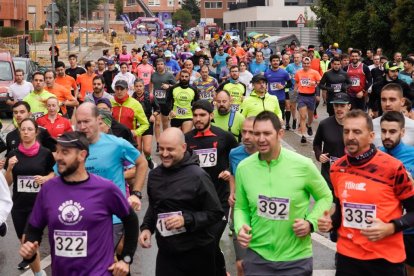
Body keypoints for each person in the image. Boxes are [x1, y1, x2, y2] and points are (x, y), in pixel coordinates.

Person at [19, 131, 139, 276]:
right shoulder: (48, 190)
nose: (58, 157)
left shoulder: (105, 189)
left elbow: (131, 220)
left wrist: (126, 259)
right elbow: (35, 228)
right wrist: (30, 249)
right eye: (57, 151)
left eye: (65, 152)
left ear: (82, 155)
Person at [235, 111, 332, 275]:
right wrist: (240, 227)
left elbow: (325, 196)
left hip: (295, 259)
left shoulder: (303, 165)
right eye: (256, 133)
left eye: (267, 133)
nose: (260, 139)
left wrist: (311, 223)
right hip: (258, 257)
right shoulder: (244, 168)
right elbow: (240, 207)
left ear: (280, 133)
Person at [318, 109, 414, 276]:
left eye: (357, 131)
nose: (350, 137)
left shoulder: (393, 168)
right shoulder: (337, 169)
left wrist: (391, 227)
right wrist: (330, 222)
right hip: (347, 258)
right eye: (346, 131)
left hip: (385, 260)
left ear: (370, 136)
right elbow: (341, 212)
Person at [139, 127, 224, 276]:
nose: (164, 154)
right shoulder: (154, 175)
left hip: (197, 253)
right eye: (161, 148)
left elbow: (215, 213)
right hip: (167, 253)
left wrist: (186, 219)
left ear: (183, 148)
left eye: (170, 149)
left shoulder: (198, 175)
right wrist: (147, 227)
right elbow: (154, 205)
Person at [74, 102, 147, 247]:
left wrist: (136, 193)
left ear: (98, 119)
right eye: (79, 122)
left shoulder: (117, 144)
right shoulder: (72, 147)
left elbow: (142, 163)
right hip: (81, 216)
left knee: (100, 258)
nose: (82, 127)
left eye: (86, 121)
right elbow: (58, 175)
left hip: (112, 217)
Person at [184, 100, 238, 276]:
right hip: (196, 199)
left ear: (211, 116)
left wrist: (229, 171)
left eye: (202, 115)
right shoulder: (187, 138)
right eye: (195, 115)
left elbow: (238, 158)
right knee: (202, 242)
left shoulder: (225, 137)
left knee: (210, 240)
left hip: (219, 199)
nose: (198, 119)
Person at [5, 118, 55, 273]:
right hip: (19, 205)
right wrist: (9, 168)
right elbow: (7, 183)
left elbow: (54, 173)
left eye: (29, 129)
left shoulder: (45, 153)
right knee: (25, 243)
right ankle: (38, 272)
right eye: (23, 129)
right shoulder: (13, 154)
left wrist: (46, 178)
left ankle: (39, 273)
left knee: (29, 241)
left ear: (36, 132)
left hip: (38, 205)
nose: (26, 132)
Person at [379, 111, 414, 275]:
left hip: (409, 231)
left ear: (402, 132)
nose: (387, 136)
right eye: (383, 131)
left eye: (392, 132)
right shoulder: (375, 155)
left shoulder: (412, 155)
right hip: (383, 229)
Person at [228, 117, 257, 276]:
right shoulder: (234, 153)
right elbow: (233, 175)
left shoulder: (266, 154)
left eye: (251, 132)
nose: (246, 136)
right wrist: (232, 192)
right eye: (243, 131)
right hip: (240, 214)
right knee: (242, 265)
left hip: (262, 217)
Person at [313, 93, 350, 191]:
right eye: (336, 105)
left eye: (342, 106)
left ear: (349, 106)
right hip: (329, 172)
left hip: (349, 173)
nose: (339, 109)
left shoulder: (355, 126)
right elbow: (316, 143)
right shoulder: (325, 124)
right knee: (330, 202)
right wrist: (319, 154)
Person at [132, 78, 160, 169]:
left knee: (147, 150)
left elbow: (158, 109)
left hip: (147, 123)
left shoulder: (150, 96)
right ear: (134, 87)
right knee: (138, 149)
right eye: (136, 86)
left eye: (140, 86)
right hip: (136, 125)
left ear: (144, 87)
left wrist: (153, 115)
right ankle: (139, 167)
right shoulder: (131, 98)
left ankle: (148, 159)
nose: (139, 88)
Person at [294, 56, 322, 143]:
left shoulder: (315, 73)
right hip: (301, 96)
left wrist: (315, 84)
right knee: (303, 116)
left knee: (310, 116)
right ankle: (303, 135)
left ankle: (309, 125)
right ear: (302, 64)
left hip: (311, 96)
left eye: (307, 63)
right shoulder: (298, 73)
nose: (306, 65)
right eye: (304, 63)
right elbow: (296, 83)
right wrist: (294, 94)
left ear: (310, 64)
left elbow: (320, 83)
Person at [150, 58, 177, 147]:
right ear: (156, 66)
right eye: (158, 64)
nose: (160, 66)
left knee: (165, 123)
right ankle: (158, 143)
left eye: (161, 64)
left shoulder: (169, 75)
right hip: (156, 102)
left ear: (164, 65)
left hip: (166, 101)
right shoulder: (153, 75)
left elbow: (176, 86)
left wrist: (168, 86)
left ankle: (165, 141)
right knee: (157, 123)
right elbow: (151, 84)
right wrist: (150, 94)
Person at [166, 69, 199, 133]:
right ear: (180, 77)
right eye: (182, 76)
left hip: (188, 116)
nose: (184, 78)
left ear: (189, 77)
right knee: (177, 138)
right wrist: (170, 111)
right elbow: (167, 101)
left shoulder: (193, 89)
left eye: (186, 76)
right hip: (175, 116)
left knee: (185, 136)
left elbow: (197, 102)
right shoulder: (173, 88)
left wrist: (195, 112)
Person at [265, 55, 292, 121]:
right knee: (271, 116)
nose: (275, 62)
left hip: (281, 98)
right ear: (270, 62)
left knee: (280, 116)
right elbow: (264, 84)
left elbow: (290, 84)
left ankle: (280, 128)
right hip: (270, 98)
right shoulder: (267, 73)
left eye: (277, 61)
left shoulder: (284, 72)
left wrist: (283, 86)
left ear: (279, 61)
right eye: (273, 61)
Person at [285, 53, 303, 130]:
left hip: (302, 90)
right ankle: (294, 119)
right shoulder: (289, 66)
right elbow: (284, 75)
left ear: (301, 58)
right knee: (293, 107)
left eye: (297, 57)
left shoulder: (303, 66)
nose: (296, 59)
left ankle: (299, 122)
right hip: (292, 89)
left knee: (301, 107)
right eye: (295, 57)